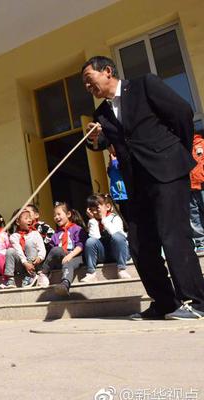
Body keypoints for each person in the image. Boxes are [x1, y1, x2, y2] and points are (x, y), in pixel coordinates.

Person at [82, 55, 204, 320]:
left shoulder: (144, 85)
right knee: (139, 243)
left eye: (89, 80)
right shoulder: (101, 114)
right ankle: (164, 303)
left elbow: (182, 112)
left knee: (173, 235)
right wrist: (94, 139)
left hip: (167, 171)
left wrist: (175, 151)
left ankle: (197, 301)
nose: (88, 88)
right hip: (136, 183)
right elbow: (104, 144)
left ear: (107, 71)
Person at [36, 202, 87, 296]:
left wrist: (70, 255)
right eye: (54, 215)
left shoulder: (77, 229)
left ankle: (65, 285)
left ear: (68, 214)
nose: (56, 217)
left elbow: (81, 245)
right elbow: (52, 250)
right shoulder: (56, 233)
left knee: (68, 262)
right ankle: (44, 272)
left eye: (59, 214)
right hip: (61, 258)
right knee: (56, 250)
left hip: (75, 257)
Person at [83, 194, 130, 283]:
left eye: (97, 208)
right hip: (104, 254)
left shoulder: (115, 218)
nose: (95, 212)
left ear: (108, 207)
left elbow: (114, 234)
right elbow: (95, 238)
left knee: (118, 236)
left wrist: (104, 219)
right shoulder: (92, 221)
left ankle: (121, 269)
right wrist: (93, 220)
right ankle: (91, 273)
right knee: (90, 241)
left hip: (120, 253)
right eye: (92, 210)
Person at [6, 208, 46, 288]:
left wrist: (40, 257)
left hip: (35, 263)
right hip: (23, 265)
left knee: (29, 243)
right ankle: (10, 279)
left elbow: (42, 248)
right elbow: (19, 251)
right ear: (17, 222)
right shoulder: (14, 236)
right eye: (26, 218)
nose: (29, 220)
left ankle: (31, 274)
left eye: (30, 217)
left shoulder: (35, 233)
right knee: (10, 251)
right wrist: (25, 263)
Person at [189, 133, 204, 253]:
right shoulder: (180, 145)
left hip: (202, 183)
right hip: (188, 186)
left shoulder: (201, 143)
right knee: (194, 215)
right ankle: (200, 242)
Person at [107, 145, 129, 221]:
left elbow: (123, 169)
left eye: (110, 147)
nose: (109, 149)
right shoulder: (111, 158)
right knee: (124, 217)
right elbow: (111, 174)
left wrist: (114, 161)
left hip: (125, 194)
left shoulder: (121, 156)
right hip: (118, 195)